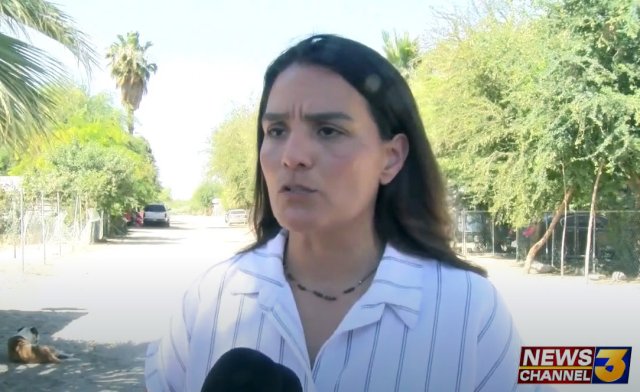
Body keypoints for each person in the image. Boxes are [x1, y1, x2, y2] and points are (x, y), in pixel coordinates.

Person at [145, 34, 530, 392]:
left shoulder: (468, 312)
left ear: (391, 158)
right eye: (276, 130)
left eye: (328, 131)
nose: (292, 157)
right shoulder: (210, 302)